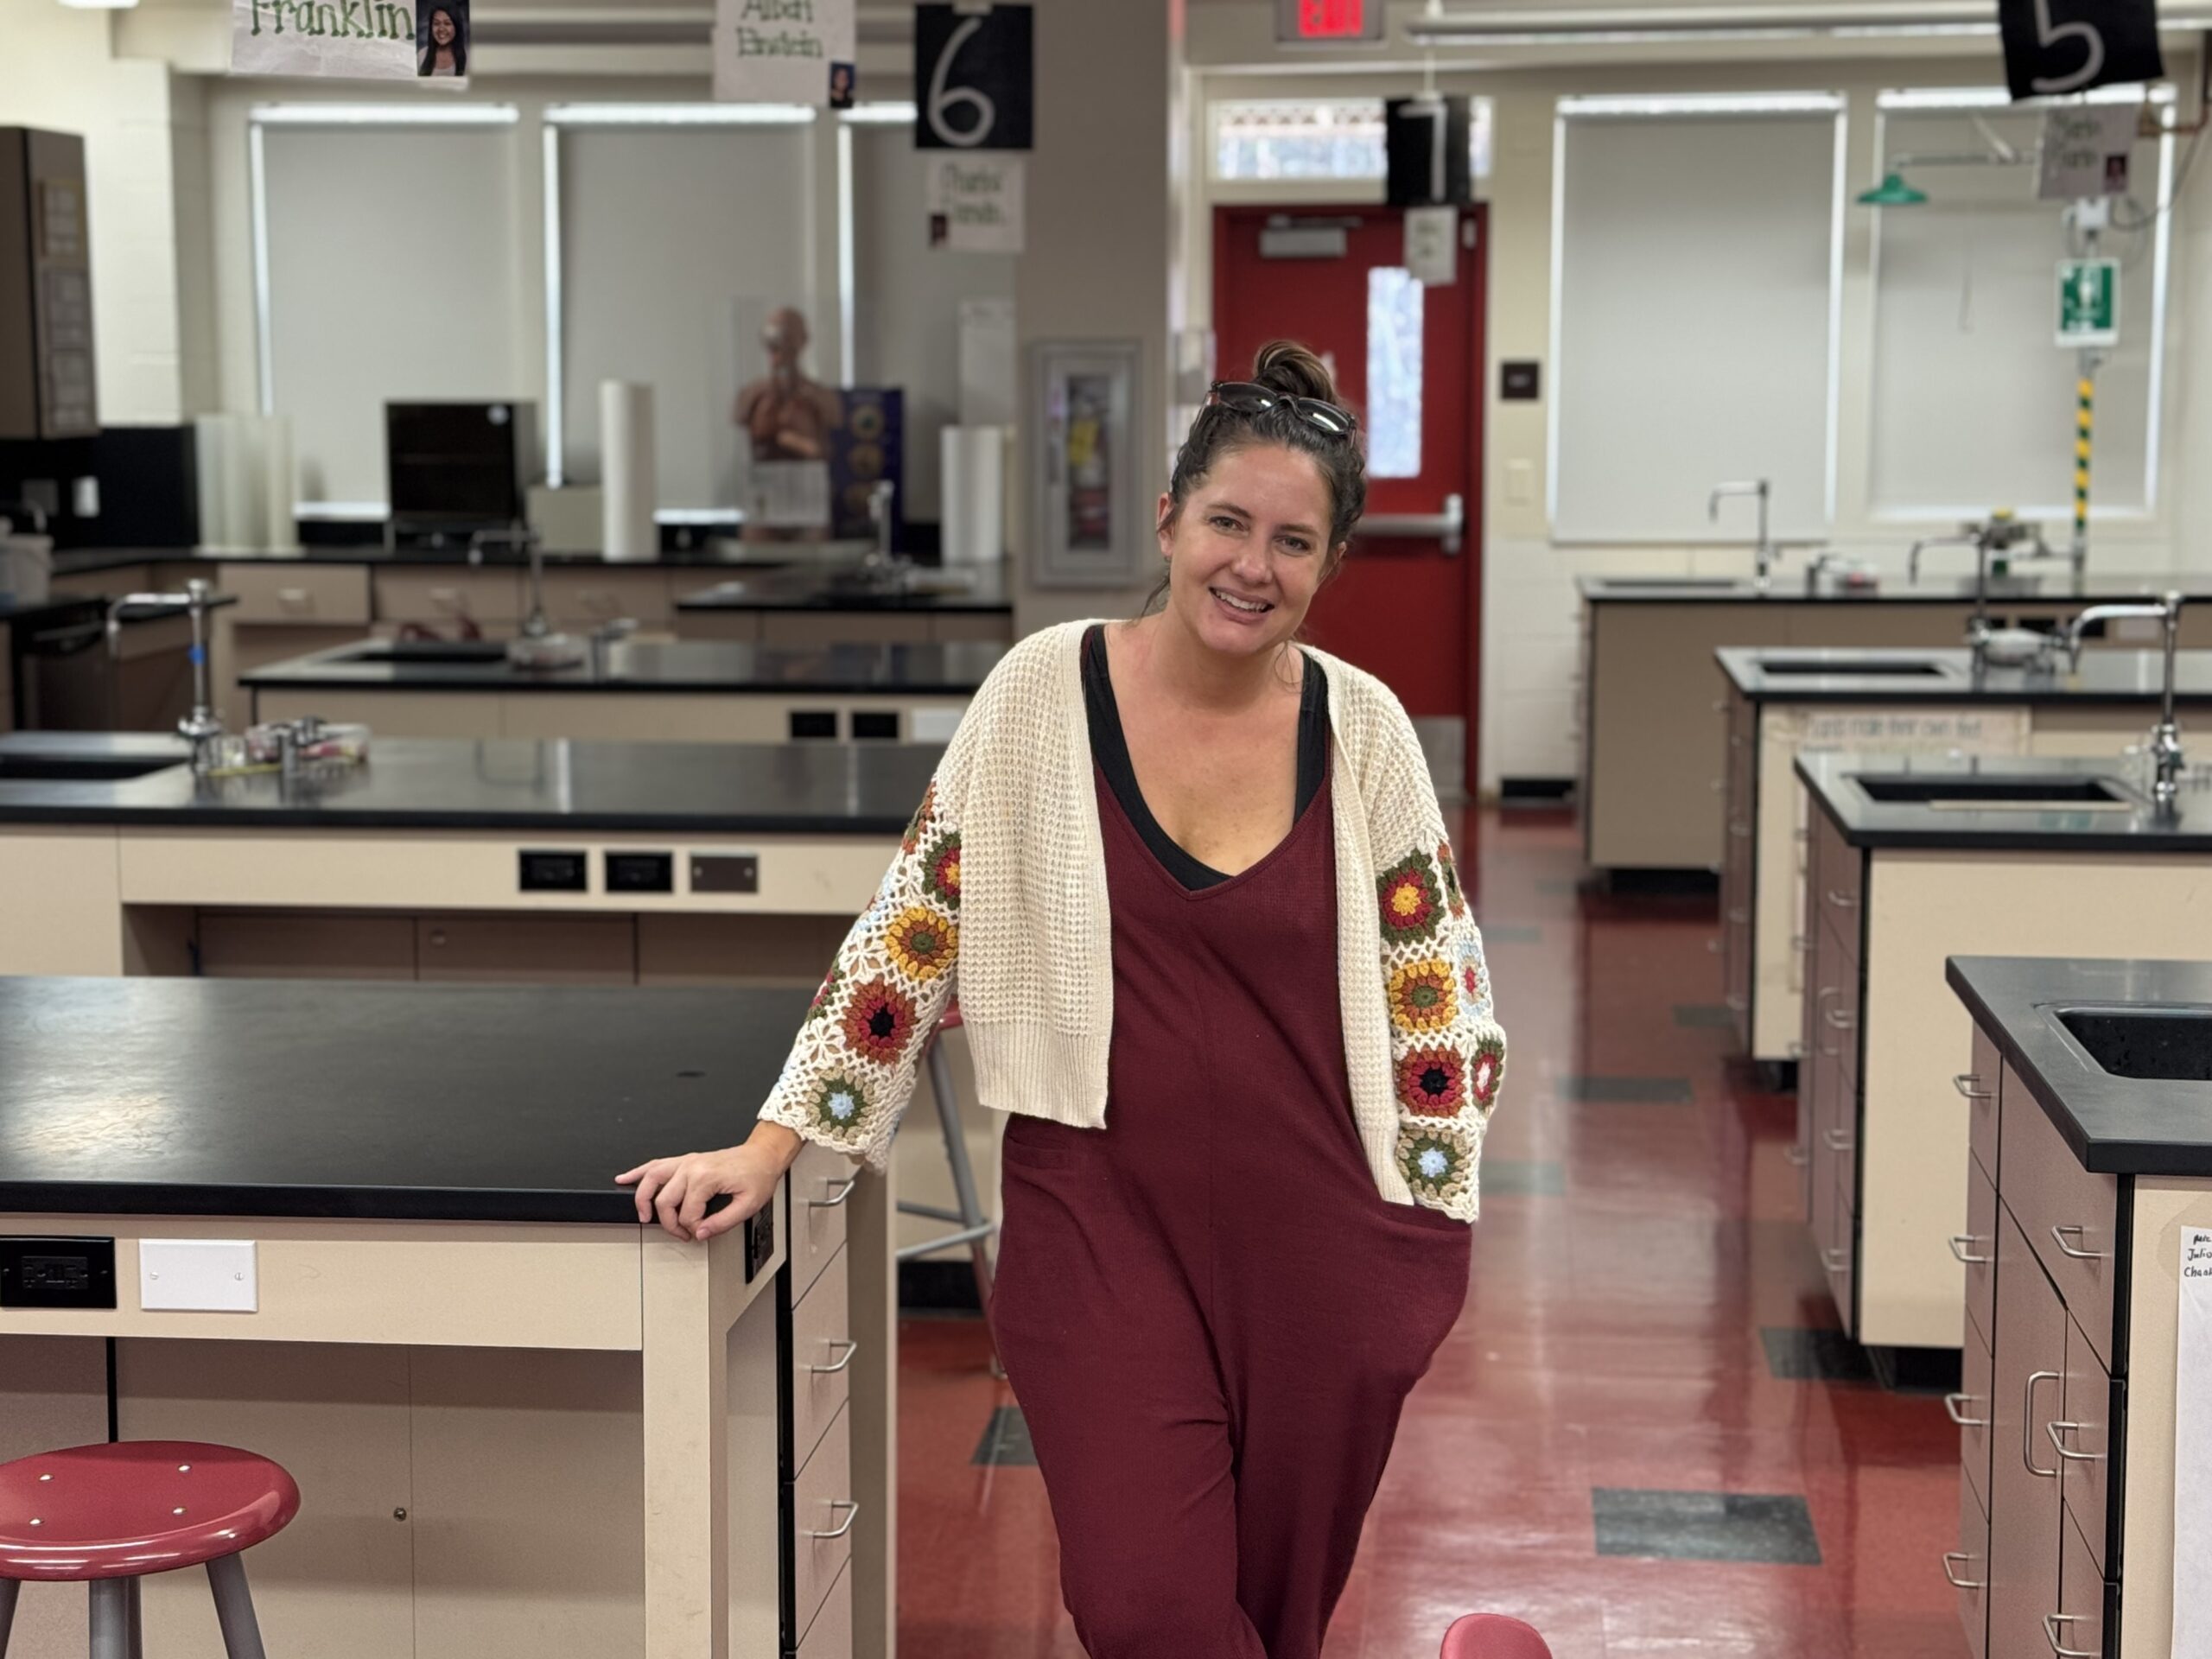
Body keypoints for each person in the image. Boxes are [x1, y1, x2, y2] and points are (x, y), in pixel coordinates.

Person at [620, 340, 1506, 1659]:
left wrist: (1421, 1240)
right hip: (1097, 1216)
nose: (1251, 565)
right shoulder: (1043, 692)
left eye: (1293, 541)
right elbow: (915, 925)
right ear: (1167, 518)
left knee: (1274, 1614)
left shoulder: (1361, 730)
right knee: (1149, 1606)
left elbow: (1440, 994)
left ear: (1328, 565)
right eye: (1225, 522)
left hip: (1325, 1236)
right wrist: (774, 1139)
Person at [417, 5, 464, 76]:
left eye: (447, 23)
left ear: (457, 27)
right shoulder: (421, 55)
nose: (441, 29)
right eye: (436, 23)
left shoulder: (469, 58)